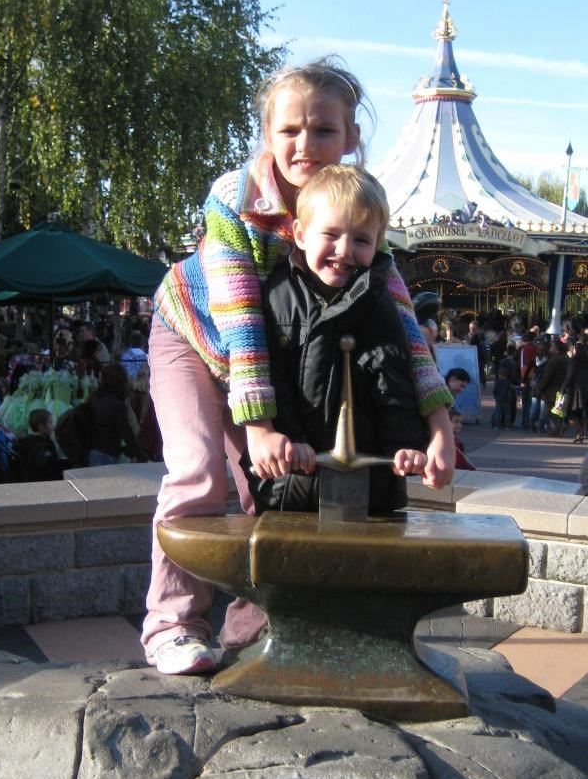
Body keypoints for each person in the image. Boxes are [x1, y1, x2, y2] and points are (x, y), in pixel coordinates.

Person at [142, 56, 455, 677]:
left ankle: (253, 627)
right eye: (288, 130)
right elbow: (240, 317)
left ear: (351, 137)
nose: (304, 144)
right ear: (266, 134)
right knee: (200, 469)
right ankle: (174, 623)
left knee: (275, 486)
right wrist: (259, 426)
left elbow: (401, 326)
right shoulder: (237, 199)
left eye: (323, 130)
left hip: (268, 364)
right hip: (196, 337)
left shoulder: (353, 207)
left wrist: (439, 424)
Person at [244, 165, 430, 515]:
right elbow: (269, 376)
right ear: (300, 235)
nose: (344, 250)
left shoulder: (378, 304)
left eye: (361, 240)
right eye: (330, 234)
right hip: (291, 477)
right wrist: (288, 437)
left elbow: (394, 381)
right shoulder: (278, 295)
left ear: (377, 245)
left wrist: (405, 444)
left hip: (368, 485)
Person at [86, 363, 145, 467]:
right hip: (108, 455)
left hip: (92, 452)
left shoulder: (93, 399)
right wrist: (141, 455)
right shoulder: (118, 405)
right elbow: (127, 434)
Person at [11, 408, 63, 482]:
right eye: (50, 423)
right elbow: (48, 469)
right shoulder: (43, 446)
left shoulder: (26, 442)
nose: (53, 427)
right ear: (41, 427)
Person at [538, 338, 570, 437]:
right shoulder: (567, 359)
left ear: (556, 349)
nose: (550, 348)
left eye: (552, 346)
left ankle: (558, 427)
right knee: (559, 410)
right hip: (564, 387)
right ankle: (558, 428)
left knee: (550, 410)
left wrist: (540, 387)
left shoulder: (554, 360)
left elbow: (547, 376)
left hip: (552, 389)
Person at [561, 339, 588, 443]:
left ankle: (580, 433)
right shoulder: (586, 362)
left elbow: (569, 376)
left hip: (576, 389)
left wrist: (563, 388)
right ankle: (581, 433)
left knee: (570, 413)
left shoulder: (573, 361)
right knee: (580, 413)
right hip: (585, 389)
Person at [519, 331, 538, 430]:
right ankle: (532, 422)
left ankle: (525, 423)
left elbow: (524, 365)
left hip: (527, 377)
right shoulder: (536, 348)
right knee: (533, 401)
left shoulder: (525, 349)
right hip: (535, 376)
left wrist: (522, 379)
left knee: (526, 402)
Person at [492, 361, 513, 429]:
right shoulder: (508, 382)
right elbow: (511, 390)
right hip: (506, 399)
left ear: (499, 375)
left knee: (498, 412)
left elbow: (494, 391)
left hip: (498, 399)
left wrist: (495, 397)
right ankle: (507, 425)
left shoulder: (497, 382)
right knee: (507, 413)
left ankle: (496, 425)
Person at [466, 320, 487, 388]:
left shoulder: (480, 336)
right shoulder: (467, 336)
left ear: (477, 328)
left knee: (480, 370)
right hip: (470, 356)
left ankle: (483, 383)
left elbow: (482, 345)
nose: (472, 330)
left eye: (474, 328)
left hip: (479, 355)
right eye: (471, 328)